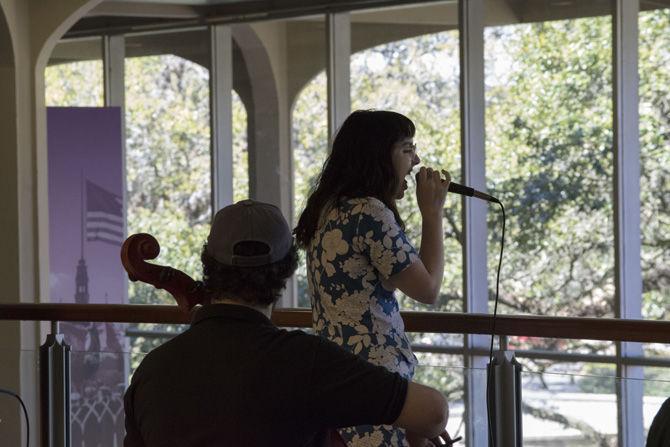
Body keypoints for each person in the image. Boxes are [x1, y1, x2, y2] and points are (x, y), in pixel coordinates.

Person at [124, 199, 453, 447]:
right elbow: (434, 412)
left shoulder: (151, 371)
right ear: (286, 270)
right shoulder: (306, 361)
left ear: (208, 264)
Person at [294, 110, 451, 446]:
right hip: (376, 383)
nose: (417, 161)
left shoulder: (329, 208)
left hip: (338, 374)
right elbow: (428, 289)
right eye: (407, 149)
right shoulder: (369, 213)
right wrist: (433, 214)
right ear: (379, 155)